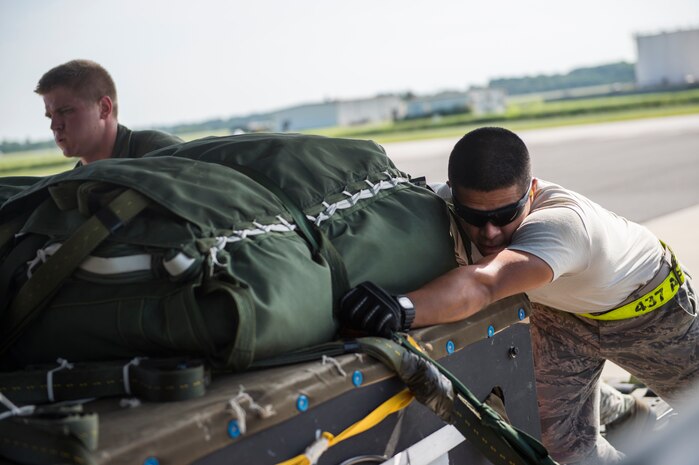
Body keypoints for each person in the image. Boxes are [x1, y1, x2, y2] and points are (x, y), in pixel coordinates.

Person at [339, 127, 698, 464]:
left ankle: (618, 409)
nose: (490, 232)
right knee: (561, 441)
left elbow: (484, 283)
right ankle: (626, 415)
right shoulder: (446, 201)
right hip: (557, 314)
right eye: (473, 216)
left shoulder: (562, 226)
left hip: (649, 312)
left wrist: (403, 307)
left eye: (505, 214)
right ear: (454, 193)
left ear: (532, 189)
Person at [35, 59, 182, 166]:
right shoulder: (72, 186)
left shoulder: (162, 154)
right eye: (50, 116)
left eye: (66, 111)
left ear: (104, 108)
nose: (54, 126)